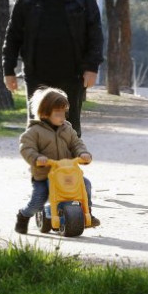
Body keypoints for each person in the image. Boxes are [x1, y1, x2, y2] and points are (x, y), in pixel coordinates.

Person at [3, 0, 103, 138]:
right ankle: (40, 166)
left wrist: (92, 67)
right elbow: (13, 35)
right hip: (37, 73)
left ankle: (67, 167)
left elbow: (95, 33)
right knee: (37, 126)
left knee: (70, 127)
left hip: (73, 74)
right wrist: (8, 70)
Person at [15, 87, 100, 234]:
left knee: (85, 184)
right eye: (58, 113)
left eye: (64, 113)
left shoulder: (67, 128)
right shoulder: (35, 131)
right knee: (38, 201)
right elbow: (26, 147)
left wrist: (83, 153)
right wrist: (37, 158)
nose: (62, 117)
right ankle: (23, 216)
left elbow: (76, 143)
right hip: (45, 174)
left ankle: (87, 212)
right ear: (45, 113)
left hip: (67, 172)